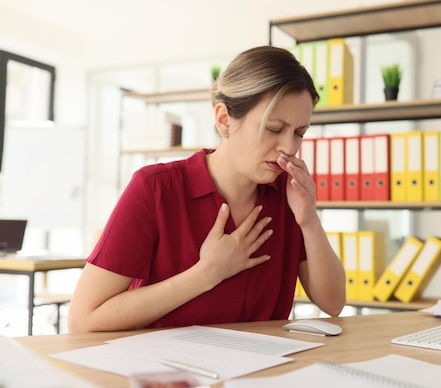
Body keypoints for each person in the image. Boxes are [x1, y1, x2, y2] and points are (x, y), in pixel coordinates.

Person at [68, 45, 346, 332]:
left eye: (299, 133)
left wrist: (309, 220)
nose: (289, 147)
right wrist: (206, 274)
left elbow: (333, 303)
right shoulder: (155, 189)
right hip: (169, 372)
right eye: (274, 129)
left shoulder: (289, 195)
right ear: (224, 120)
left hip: (261, 371)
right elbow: (83, 320)